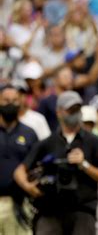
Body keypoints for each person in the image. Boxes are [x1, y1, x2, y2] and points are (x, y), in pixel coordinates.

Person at [14, 91, 98, 235]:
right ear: (59, 112)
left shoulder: (94, 142)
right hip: (50, 209)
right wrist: (29, 187)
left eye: (77, 109)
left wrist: (84, 165)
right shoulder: (47, 143)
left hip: (82, 210)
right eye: (70, 110)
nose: (75, 114)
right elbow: (19, 171)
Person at [0, 84, 38, 235]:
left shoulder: (29, 133)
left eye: (15, 100)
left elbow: (36, 168)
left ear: (21, 102)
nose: (10, 104)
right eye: (6, 100)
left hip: (19, 203)